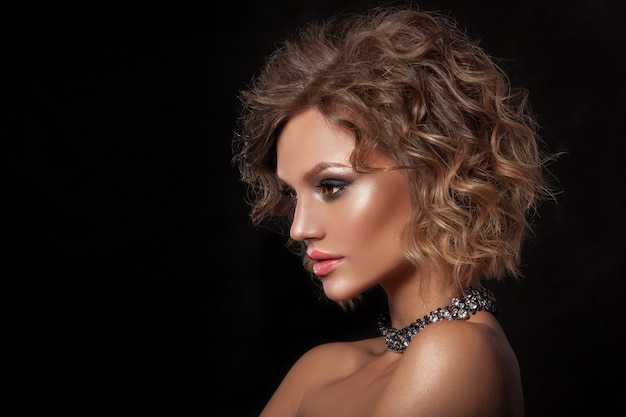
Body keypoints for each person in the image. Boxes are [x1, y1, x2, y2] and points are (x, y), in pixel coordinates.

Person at [232, 4, 554, 416]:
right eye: (293, 195)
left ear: (432, 169)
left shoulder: (455, 352)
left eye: (331, 186)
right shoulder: (320, 369)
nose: (299, 229)